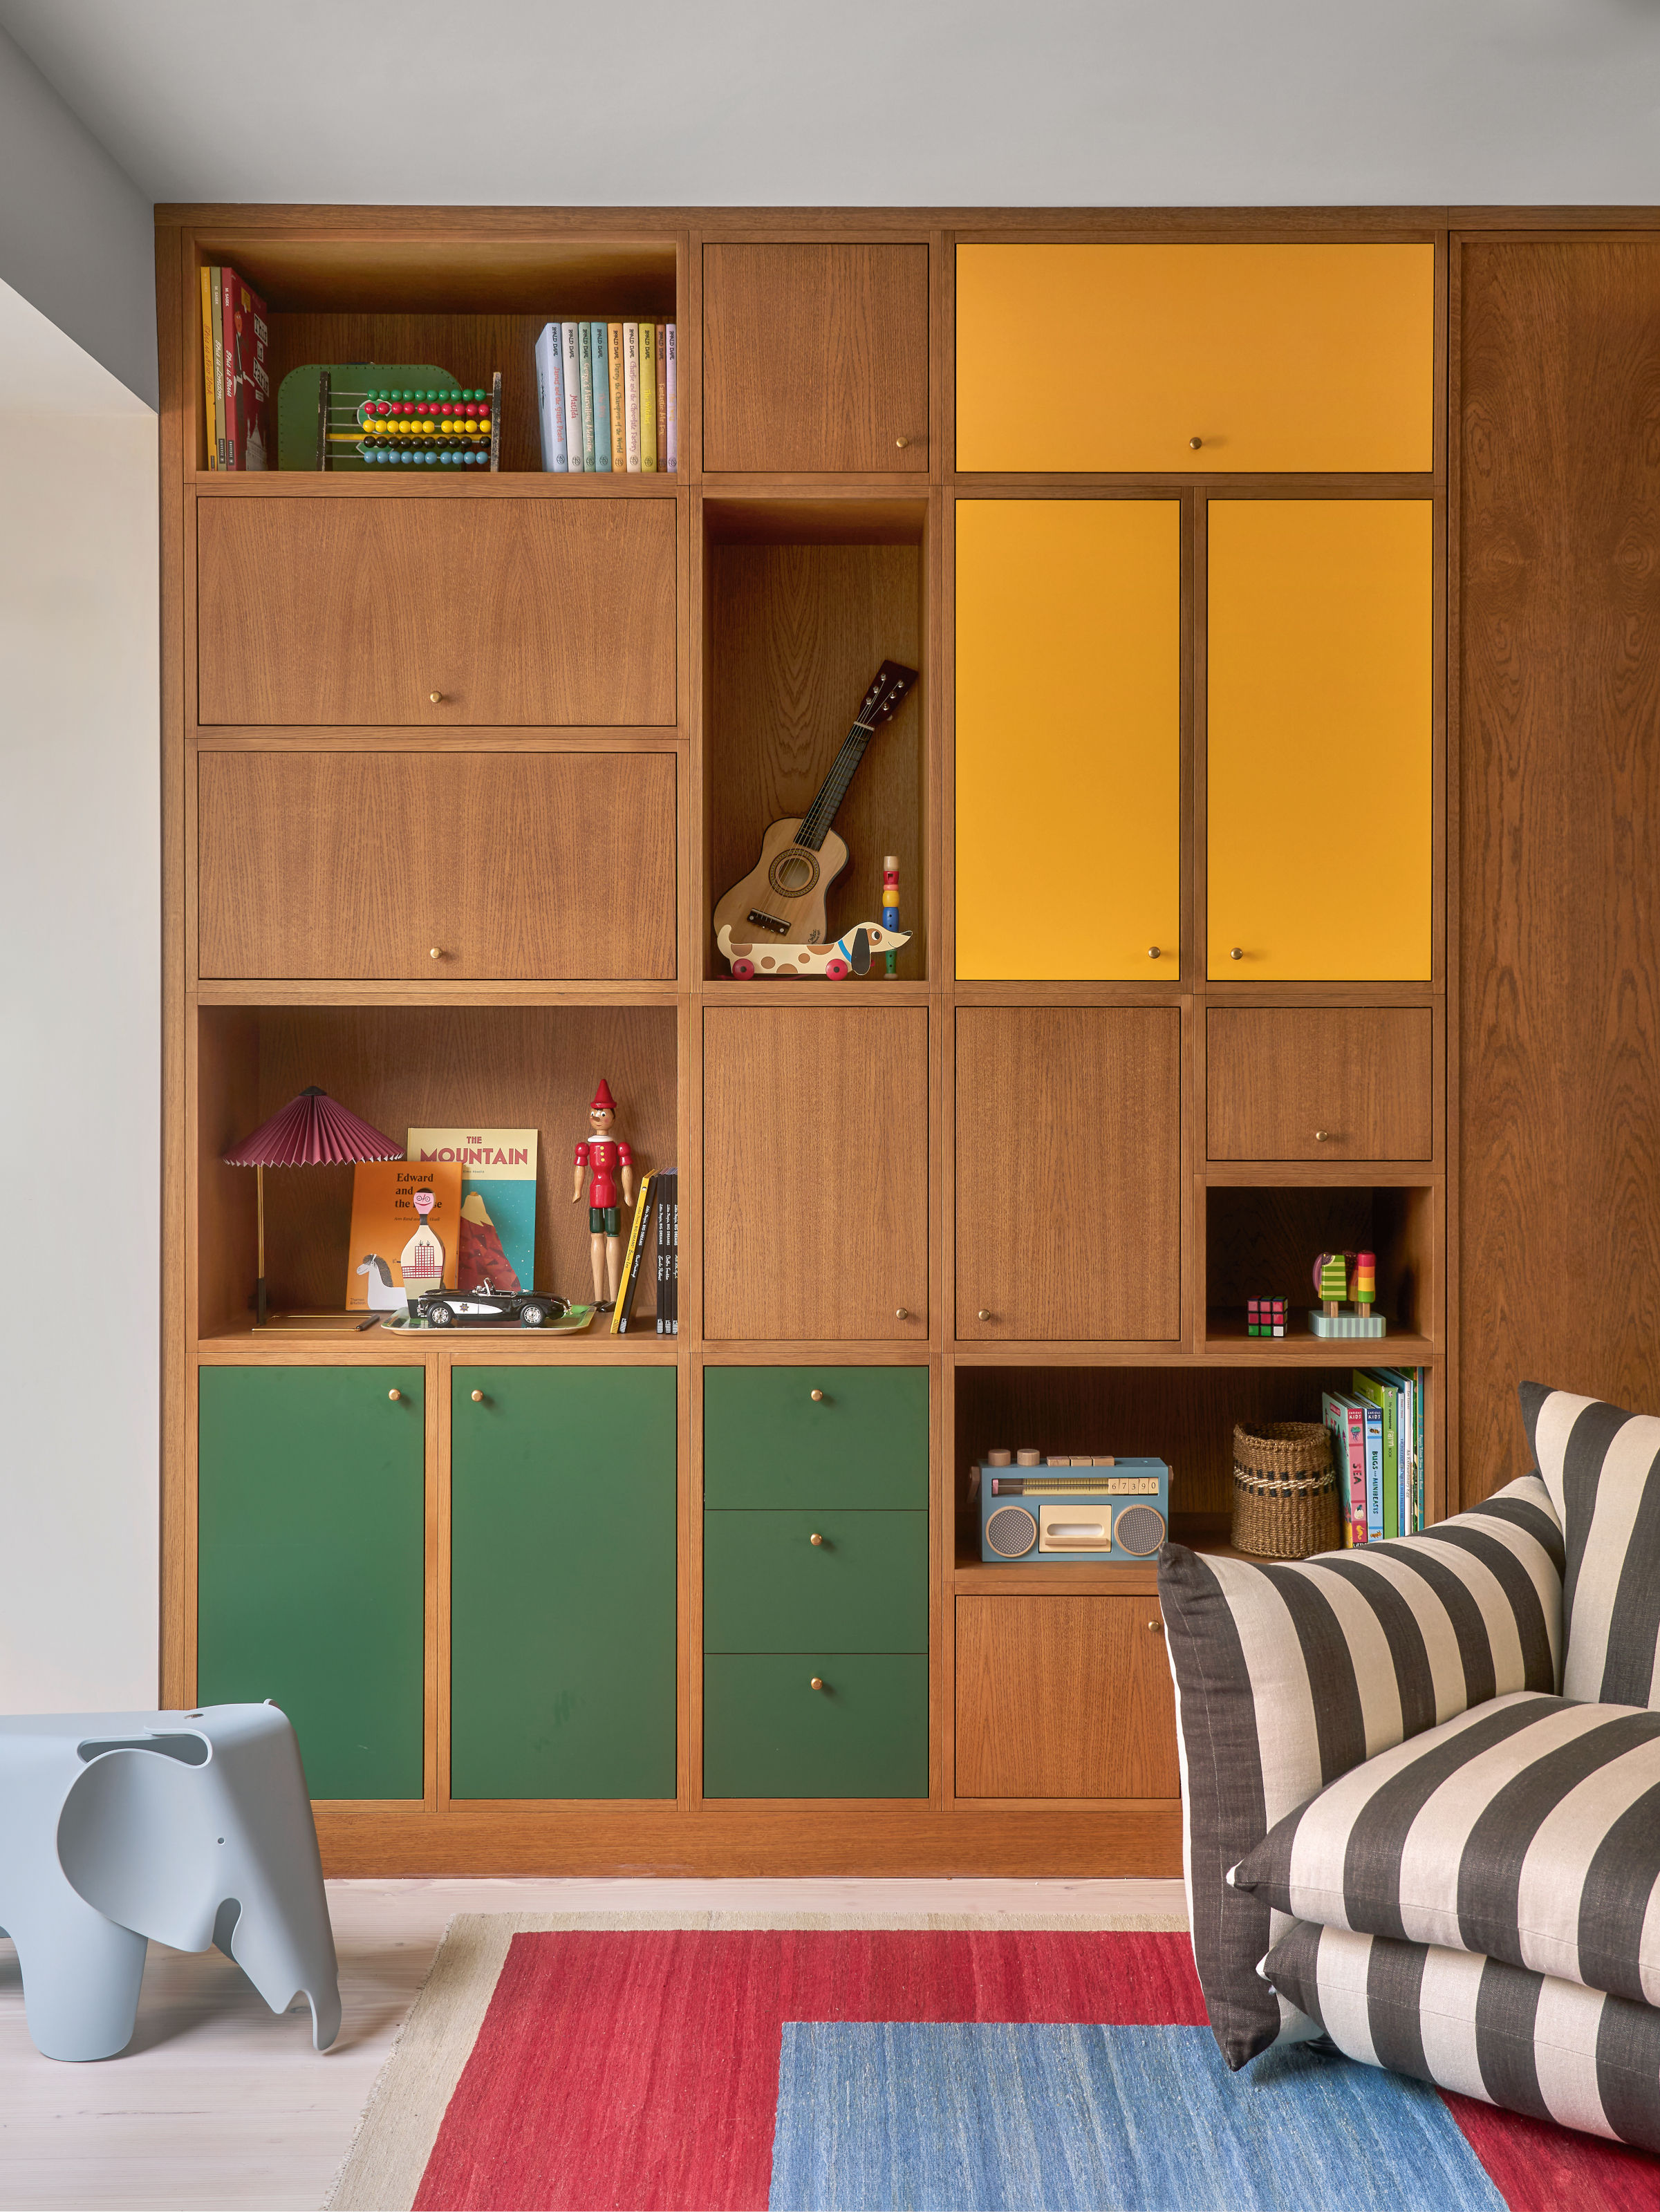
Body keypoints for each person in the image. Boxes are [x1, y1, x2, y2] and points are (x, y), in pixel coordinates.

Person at [570, 1078, 635, 1309]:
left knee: (613, 1238)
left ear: (613, 1118)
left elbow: (627, 1168)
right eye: (594, 1112)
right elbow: (580, 1168)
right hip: (594, 1195)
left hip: (611, 1195)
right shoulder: (585, 1146)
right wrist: (577, 1190)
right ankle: (599, 1296)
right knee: (596, 1236)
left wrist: (628, 1193)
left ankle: (615, 1297)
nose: (597, 1117)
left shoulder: (619, 1147)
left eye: (603, 1113)